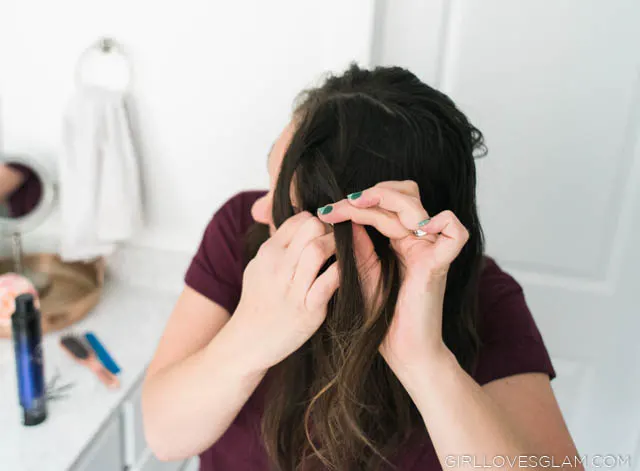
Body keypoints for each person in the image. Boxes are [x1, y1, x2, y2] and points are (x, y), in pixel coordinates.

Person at [142, 64, 581, 471]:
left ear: (363, 234)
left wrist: (423, 360)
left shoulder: (486, 300)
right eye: (270, 178)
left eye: (285, 203)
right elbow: (164, 436)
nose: (260, 207)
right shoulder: (242, 232)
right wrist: (249, 340)